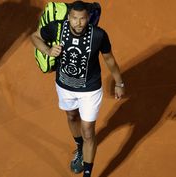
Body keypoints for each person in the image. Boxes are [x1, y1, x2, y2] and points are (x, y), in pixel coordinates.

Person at [30, 1, 125, 176]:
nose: (78, 23)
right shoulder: (57, 28)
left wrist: (119, 83)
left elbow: (109, 60)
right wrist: (48, 50)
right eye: (74, 18)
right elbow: (35, 37)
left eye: (82, 19)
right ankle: (80, 148)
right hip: (64, 86)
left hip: (90, 89)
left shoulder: (99, 35)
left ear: (88, 18)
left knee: (88, 130)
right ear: (69, 17)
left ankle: (87, 173)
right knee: (72, 116)